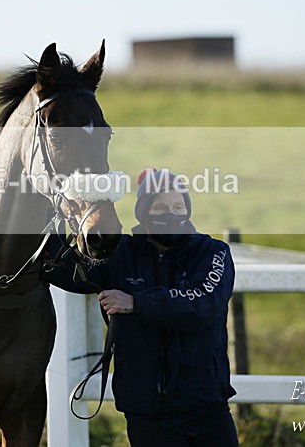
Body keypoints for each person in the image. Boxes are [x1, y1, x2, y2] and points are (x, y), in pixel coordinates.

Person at [44, 168, 239, 446]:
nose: (171, 213)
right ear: (143, 212)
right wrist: (62, 203)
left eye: (178, 206)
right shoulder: (119, 254)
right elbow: (61, 268)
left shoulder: (213, 253)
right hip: (146, 414)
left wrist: (135, 302)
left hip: (208, 408)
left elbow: (201, 305)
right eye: (160, 207)